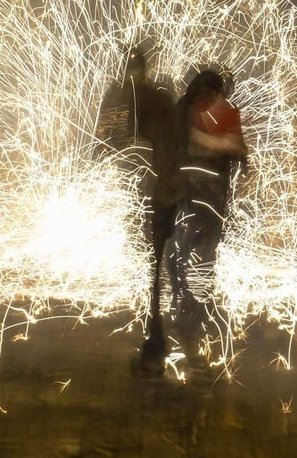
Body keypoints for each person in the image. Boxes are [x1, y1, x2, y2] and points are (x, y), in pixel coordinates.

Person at [95, 45, 180, 376]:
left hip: (144, 191)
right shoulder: (160, 96)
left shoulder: (120, 96)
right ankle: (159, 332)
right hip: (160, 190)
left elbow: (104, 139)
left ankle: (155, 339)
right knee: (156, 262)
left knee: (151, 264)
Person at [171, 68, 248, 342]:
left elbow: (239, 150)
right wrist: (222, 146)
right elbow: (239, 150)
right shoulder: (207, 110)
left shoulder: (216, 110)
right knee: (199, 248)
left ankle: (190, 301)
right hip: (200, 192)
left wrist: (209, 143)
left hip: (197, 192)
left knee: (191, 246)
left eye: (212, 93)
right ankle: (194, 303)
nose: (208, 98)